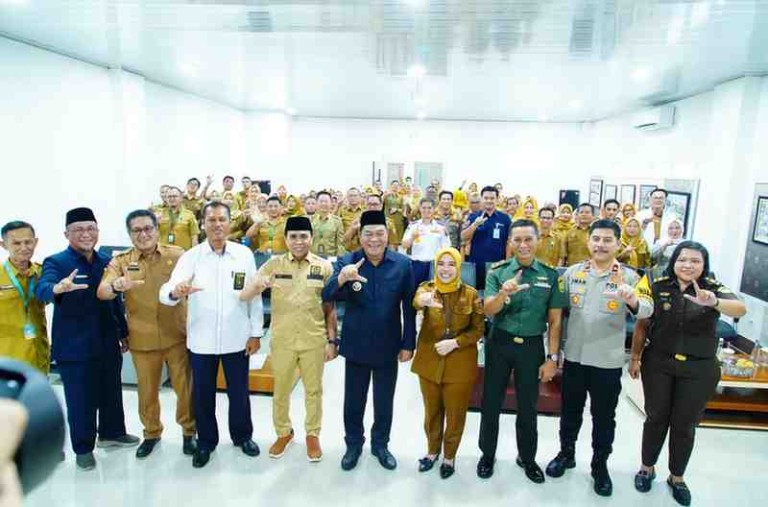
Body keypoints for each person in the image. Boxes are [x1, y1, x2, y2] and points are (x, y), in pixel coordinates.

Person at [629, 241, 746, 506]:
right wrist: (635, 357)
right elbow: (642, 323)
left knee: (684, 424)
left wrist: (714, 302)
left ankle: (677, 477)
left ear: (704, 266)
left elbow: (740, 309)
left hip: (699, 367)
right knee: (656, 417)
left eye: (695, 261)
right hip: (659, 362)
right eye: (683, 260)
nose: (688, 265)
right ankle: (647, 468)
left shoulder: (713, 287)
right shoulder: (657, 284)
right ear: (674, 262)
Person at [545, 219, 653, 497]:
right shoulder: (572, 273)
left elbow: (647, 311)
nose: (601, 245)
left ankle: (599, 466)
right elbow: (557, 314)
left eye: (608, 240)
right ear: (589, 242)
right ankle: (566, 454)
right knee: (569, 413)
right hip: (576, 359)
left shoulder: (629, 277)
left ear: (618, 244)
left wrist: (631, 299)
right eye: (597, 239)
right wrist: (553, 353)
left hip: (606, 362)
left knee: (604, 418)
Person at [159, 202, 263, 468]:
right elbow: (168, 290)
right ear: (203, 224)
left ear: (230, 223)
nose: (217, 225)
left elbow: (254, 296)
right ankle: (206, 441)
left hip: (236, 338)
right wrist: (175, 292)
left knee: (239, 393)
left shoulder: (243, 255)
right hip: (201, 340)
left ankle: (242, 437)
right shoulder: (191, 256)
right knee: (203, 395)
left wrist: (255, 333)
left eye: (222, 220)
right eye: (211, 220)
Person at [35, 207, 139, 470]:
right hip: (74, 345)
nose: (85, 234)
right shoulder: (56, 262)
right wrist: (57, 288)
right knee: (80, 399)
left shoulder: (107, 260)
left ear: (97, 231)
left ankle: (112, 433)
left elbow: (115, 300)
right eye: (78, 229)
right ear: (66, 233)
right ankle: (83, 448)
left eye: (90, 228)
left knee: (111, 390)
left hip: (106, 339)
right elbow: (43, 289)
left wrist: (123, 331)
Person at [97, 210, 196, 459]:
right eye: (137, 230)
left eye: (148, 228)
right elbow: (102, 291)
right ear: (130, 234)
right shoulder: (120, 261)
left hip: (177, 335)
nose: (143, 234)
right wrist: (115, 286)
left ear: (156, 229)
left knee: (185, 389)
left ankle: (188, 432)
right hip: (143, 338)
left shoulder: (178, 255)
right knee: (147, 391)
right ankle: (151, 433)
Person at [322, 210, 416, 472]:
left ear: (387, 235)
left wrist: (409, 343)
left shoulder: (402, 264)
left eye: (379, 234)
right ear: (360, 237)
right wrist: (342, 277)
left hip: (388, 344)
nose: (374, 239)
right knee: (354, 400)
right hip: (356, 344)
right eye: (368, 234)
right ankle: (353, 444)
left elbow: (409, 308)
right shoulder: (348, 261)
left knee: (384, 400)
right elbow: (327, 295)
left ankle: (380, 444)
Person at [240, 216, 337, 463]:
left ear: (311, 238)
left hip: (313, 339)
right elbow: (244, 295)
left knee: (313, 391)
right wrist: (257, 287)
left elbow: (330, 307)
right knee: (280, 390)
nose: (298, 241)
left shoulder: (324, 267)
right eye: (293, 236)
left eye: (303, 236)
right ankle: (284, 432)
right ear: (286, 239)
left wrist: (331, 341)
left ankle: (312, 434)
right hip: (282, 339)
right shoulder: (273, 265)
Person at [477, 219, 566, 484]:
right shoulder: (498, 272)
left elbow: (555, 321)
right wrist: (504, 294)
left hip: (531, 347)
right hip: (500, 343)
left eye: (528, 239)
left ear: (538, 241)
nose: (523, 245)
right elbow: (488, 310)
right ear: (510, 243)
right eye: (517, 240)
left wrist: (552, 358)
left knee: (528, 405)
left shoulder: (550, 276)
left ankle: (527, 458)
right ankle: (487, 455)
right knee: (491, 402)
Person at [412, 248, 484, 479]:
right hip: (429, 362)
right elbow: (417, 300)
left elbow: (478, 329)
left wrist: (456, 343)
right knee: (431, 413)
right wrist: (421, 301)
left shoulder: (471, 295)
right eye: (441, 263)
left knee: (455, 414)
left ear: (459, 267)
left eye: (450, 264)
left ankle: (449, 457)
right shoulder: (427, 288)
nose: (445, 269)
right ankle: (432, 452)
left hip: (459, 364)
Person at [0, 221, 49, 373]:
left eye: (28, 242)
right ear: (4, 245)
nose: (24, 248)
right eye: (16, 243)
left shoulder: (43, 273)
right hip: (7, 360)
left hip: (39, 356)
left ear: (36, 242)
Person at [461, 186, 512, 290]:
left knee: (494, 294)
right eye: (486, 198)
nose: (489, 201)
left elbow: (509, 243)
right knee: (475, 296)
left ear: (497, 199)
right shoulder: (473, 217)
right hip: (476, 265)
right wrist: (474, 225)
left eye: (492, 198)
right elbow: (463, 237)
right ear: (481, 199)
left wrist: (507, 264)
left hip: (497, 266)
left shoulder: (505, 219)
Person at [402, 198, 450, 287]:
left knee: (434, 293)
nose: (426, 210)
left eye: (429, 208)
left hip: (434, 265)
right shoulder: (413, 226)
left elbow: (447, 248)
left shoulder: (441, 227)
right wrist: (412, 237)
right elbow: (404, 245)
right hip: (417, 265)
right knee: (414, 293)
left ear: (434, 209)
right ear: (420, 209)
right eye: (424, 208)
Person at [158, 187, 200, 251]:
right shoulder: (160, 214)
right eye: (169, 197)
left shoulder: (189, 215)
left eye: (175, 196)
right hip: (164, 255)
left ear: (181, 198)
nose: (172, 199)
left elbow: (194, 237)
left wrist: (194, 255)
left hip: (183, 255)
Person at [310, 191, 346, 257]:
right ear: (316, 203)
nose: (323, 204)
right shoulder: (310, 220)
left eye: (326, 201)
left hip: (330, 258)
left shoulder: (337, 221)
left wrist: (339, 260)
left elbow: (340, 244)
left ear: (331, 203)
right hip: (313, 257)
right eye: (321, 201)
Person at [384, 180, 406, 245]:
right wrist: (384, 196)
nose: (395, 187)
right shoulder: (387, 195)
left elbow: (403, 209)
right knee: (388, 240)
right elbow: (381, 204)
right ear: (391, 186)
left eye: (397, 186)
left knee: (397, 241)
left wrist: (396, 209)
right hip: (389, 219)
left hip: (398, 220)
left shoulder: (401, 197)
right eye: (394, 186)